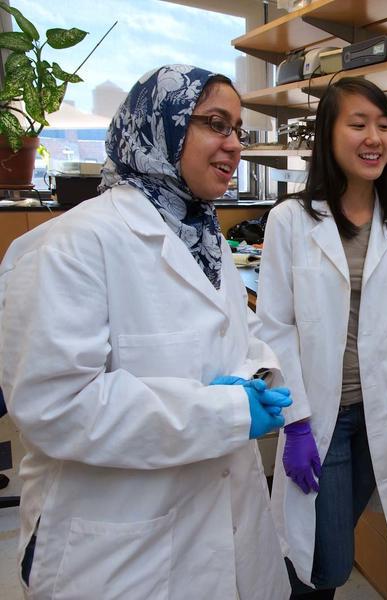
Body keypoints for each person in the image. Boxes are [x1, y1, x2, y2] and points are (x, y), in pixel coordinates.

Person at [0, 64, 292, 600]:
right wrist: (223, 412)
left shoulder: (204, 237)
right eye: (215, 123)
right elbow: (55, 405)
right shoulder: (68, 246)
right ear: (162, 126)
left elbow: (238, 333)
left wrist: (257, 374)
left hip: (227, 519)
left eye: (239, 131)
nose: (234, 146)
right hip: (121, 549)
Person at [256, 77, 387, 598]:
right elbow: (275, 328)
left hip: (381, 411)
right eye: (358, 124)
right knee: (328, 562)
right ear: (328, 134)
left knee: (329, 540)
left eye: (383, 126)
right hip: (323, 414)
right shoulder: (290, 221)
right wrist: (295, 425)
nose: (374, 137)